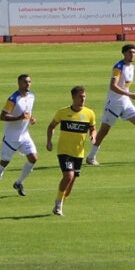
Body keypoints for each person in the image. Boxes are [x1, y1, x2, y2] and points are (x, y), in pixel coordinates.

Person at [87, 44, 135, 166]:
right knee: (104, 130)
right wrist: (129, 94)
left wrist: (127, 95)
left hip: (125, 102)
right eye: (130, 52)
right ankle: (91, 157)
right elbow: (113, 86)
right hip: (114, 103)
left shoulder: (132, 67)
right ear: (124, 53)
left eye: (134, 52)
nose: (132, 54)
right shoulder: (119, 67)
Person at [45, 85, 98, 216]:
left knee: (70, 184)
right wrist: (49, 141)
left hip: (79, 153)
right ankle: (58, 205)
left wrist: (93, 135)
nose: (83, 99)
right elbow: (51, 126)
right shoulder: (62, 112)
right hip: (64, 151)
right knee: (68, 176)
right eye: (80, 96)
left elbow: (93, 128)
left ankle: (60, 202)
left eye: (84, 96)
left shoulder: (89, 113)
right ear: (73, 97)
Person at [0, 74, 37, 197]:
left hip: (25, 135)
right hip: (11, 137)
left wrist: (31, 118)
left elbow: (27, 112)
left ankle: (19, 183)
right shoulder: (13, 99)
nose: (28, 84)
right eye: (25, 82)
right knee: (4, 163)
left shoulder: (32, 96)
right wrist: (18, 118)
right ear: (19, 83)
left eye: (29, 82)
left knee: (33, 158)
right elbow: (3, 116)